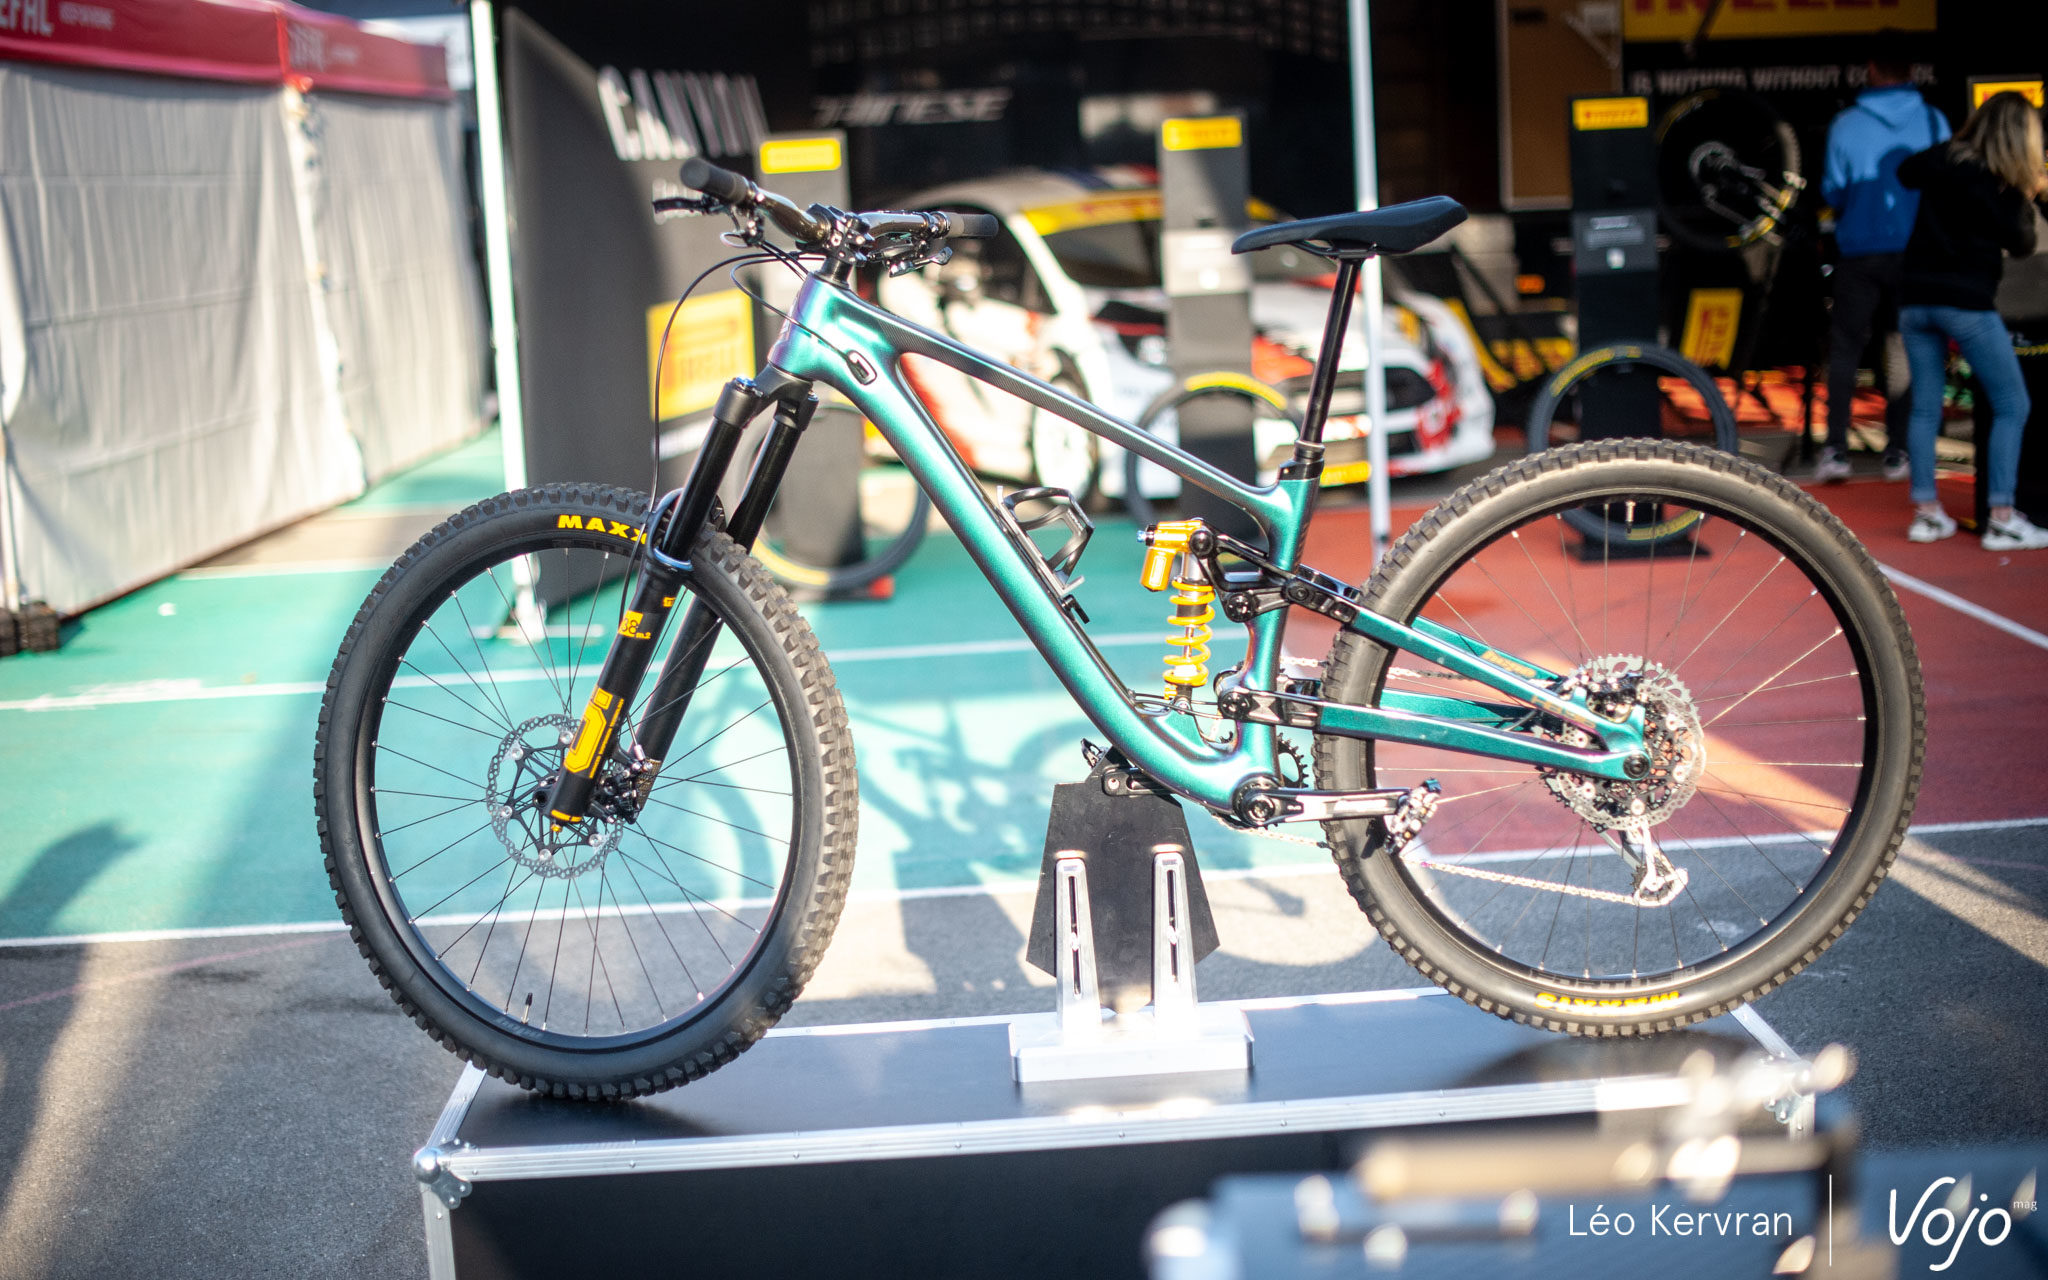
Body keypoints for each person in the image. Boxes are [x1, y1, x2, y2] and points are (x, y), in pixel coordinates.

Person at [1896, 91, 2048, 549]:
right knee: (2013, 404)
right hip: (1965, 302)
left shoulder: (1945, 160)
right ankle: (2002, 517)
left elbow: (1906, 170)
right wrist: (2029, 191)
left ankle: (1927, 514)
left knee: (1925, 407)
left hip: (1914, 299)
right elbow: (2022, 243)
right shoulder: (1997, 183)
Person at [1817, 31, 1949, 484]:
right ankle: (1899, 451)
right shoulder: (1933, 120)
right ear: (1911, 70)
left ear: (1871, 68)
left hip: (1859, 252)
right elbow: (1947, 185)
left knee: (1846, 349)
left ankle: (1836, 449)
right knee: (1905, 348)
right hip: (1916, 253)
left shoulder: (1846, 124)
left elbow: (1833, 192)